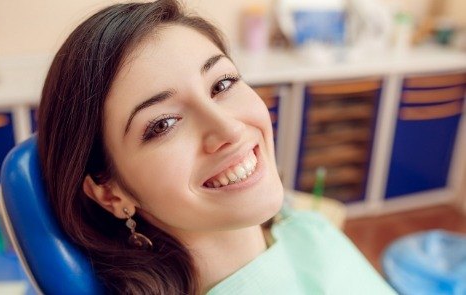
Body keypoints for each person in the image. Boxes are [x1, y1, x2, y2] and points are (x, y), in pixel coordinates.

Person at [37, 0, 396, 294]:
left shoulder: (302, 228)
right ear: (110, 195)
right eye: (163, 124)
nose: (229, 128)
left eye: (222, 84)